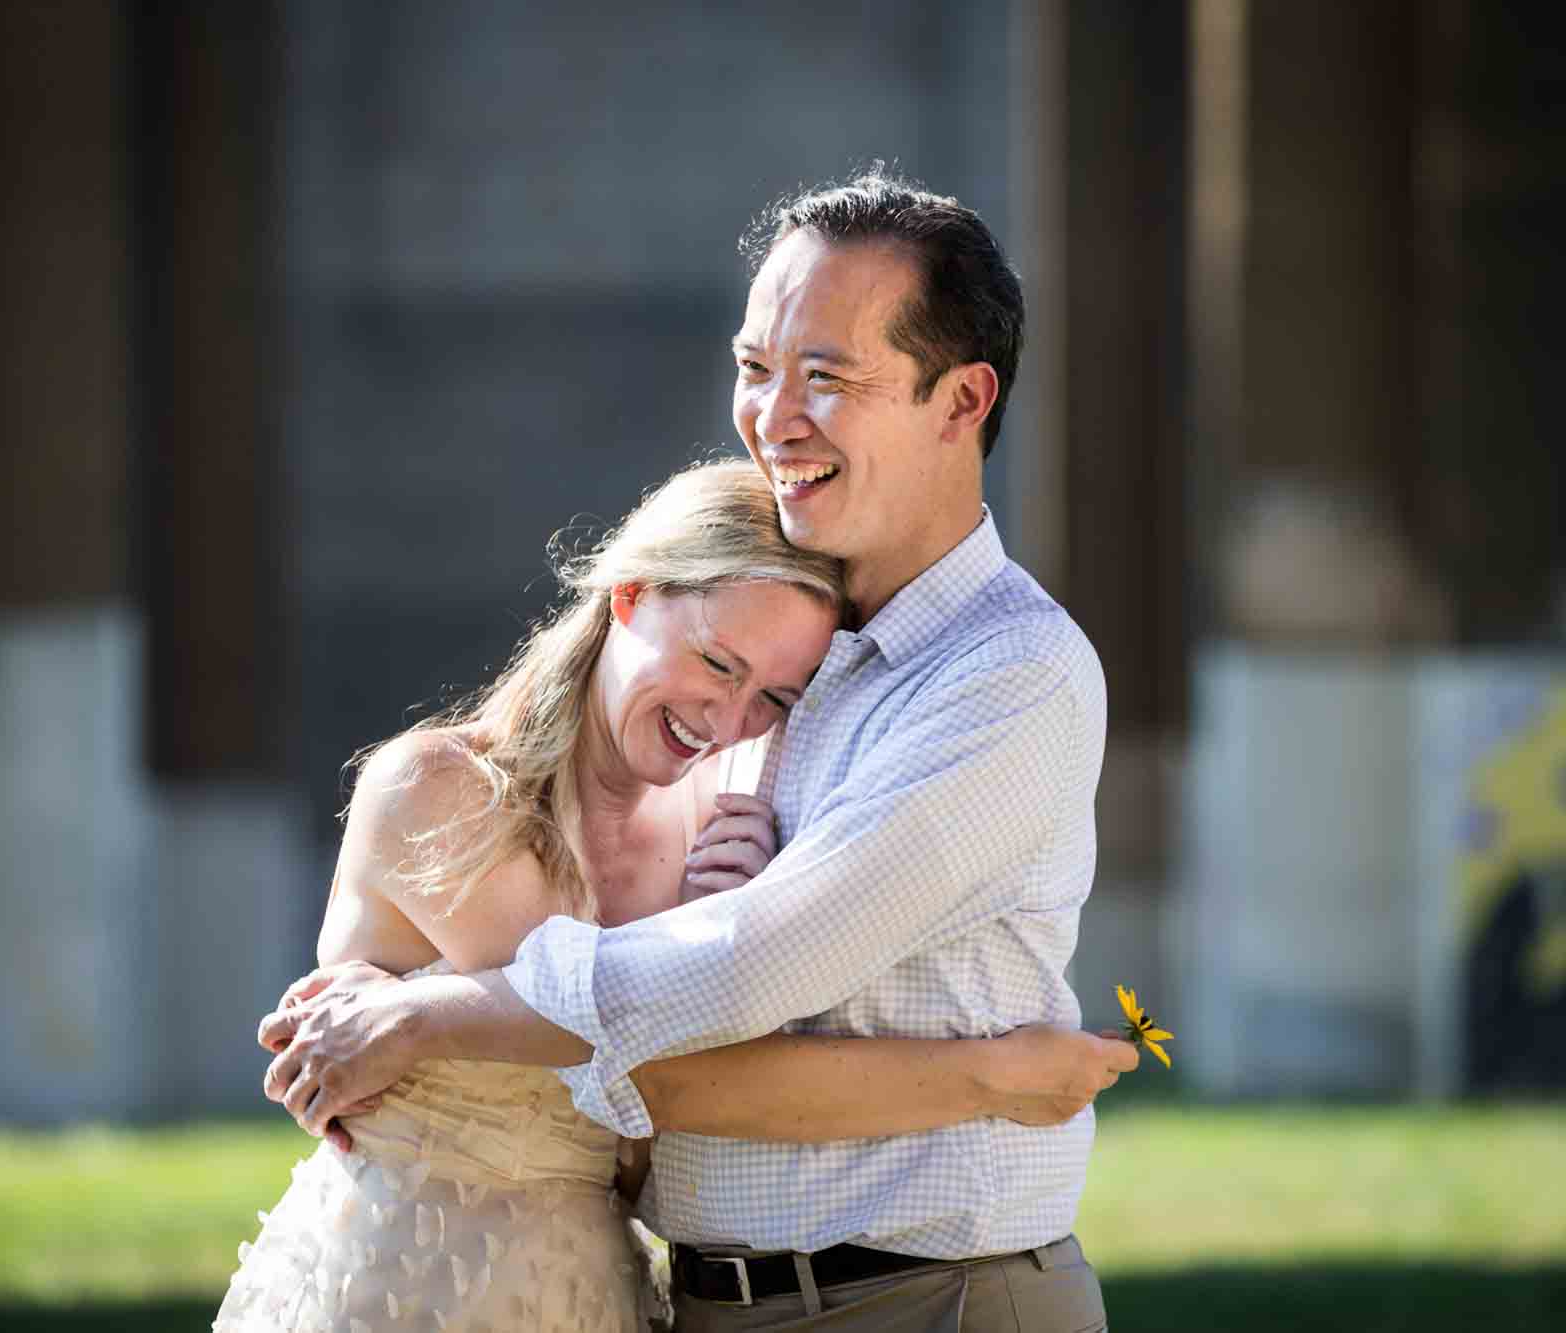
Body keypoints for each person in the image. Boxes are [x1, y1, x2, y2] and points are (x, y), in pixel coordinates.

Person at [259, 169, 1137, 1332]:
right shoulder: (795, 665)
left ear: (959, 400)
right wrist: (989, 1073)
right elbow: (653, 1068)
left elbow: (731, 979)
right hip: (699, 1300)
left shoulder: (1003, 678)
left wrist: (429, 1015)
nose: (773, 416)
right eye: (755, 367)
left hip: (922, 1304)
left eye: (826, 376)